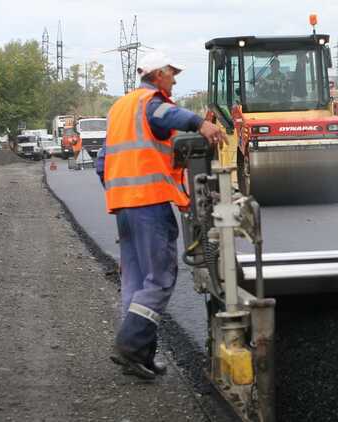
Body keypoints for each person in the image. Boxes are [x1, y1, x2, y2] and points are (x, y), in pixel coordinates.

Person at [96, 51, 223, 379]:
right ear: (158, 75)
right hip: (149, 204)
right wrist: (201, 123)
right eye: (172, 74)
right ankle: (128, 344)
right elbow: (168, 115)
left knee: (136, 283)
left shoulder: (119, 108)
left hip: (123, 206)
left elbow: (102, 163)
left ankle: (140, 356)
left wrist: (122, 195)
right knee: (161, 278)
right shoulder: (150, 102)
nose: (175, 80)